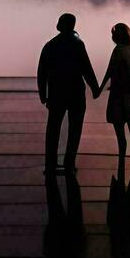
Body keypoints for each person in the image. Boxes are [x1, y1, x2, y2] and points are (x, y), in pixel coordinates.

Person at [37, 13, 99, 175]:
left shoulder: (50, 45)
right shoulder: (78, 44)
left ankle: (50, 164)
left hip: (57, 93)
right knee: (75, 129)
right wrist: (94, 88)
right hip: (76, 93)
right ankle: (69, 164)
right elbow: (87, 69)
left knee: (53, 129)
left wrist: (43, 94)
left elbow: (42, 72)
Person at [99, 22, 130, 162]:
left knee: (120, 134)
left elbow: (109, 73)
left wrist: (98, 90)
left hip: (118, 96)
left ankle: (121, 163)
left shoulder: (118, 51)